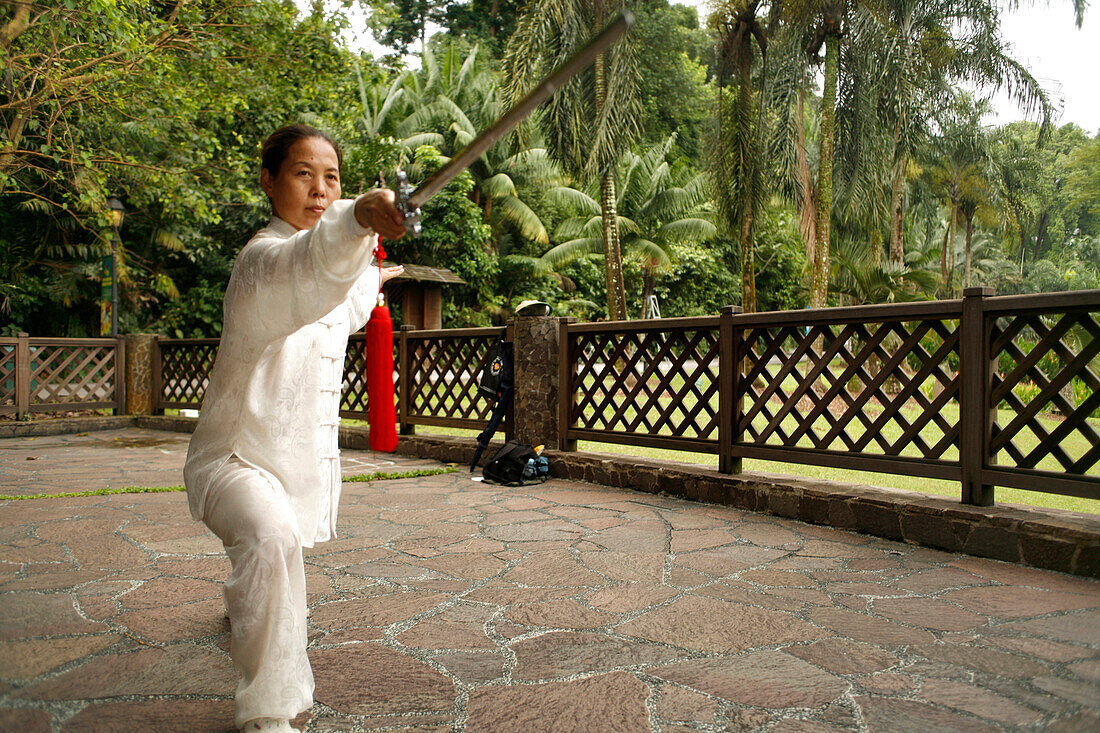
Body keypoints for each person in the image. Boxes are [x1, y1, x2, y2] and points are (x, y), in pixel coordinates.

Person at [183, 124, 406, 733]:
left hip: (292, 464)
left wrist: (377, 276)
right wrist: (358, 213)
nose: (318, 188)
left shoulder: (329, 268)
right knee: (273, 538)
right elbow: (305, 271)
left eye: (332, 178)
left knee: (275, 549)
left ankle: (247, 609)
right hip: (233, 458)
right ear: (268, 180)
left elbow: (347, 293)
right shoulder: (261, 262)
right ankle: (270, 712)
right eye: (303, 173)